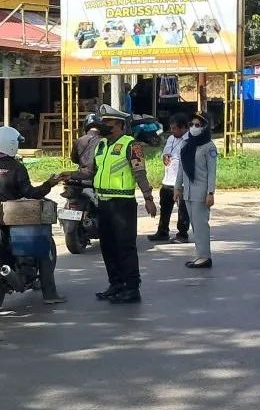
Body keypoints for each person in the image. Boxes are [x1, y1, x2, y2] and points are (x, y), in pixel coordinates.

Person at [0, 125, 67, 305]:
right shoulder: (16, 168)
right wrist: (49, 184)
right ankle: (50, 294)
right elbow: (29, 193)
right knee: (42, 249)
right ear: (11, 145)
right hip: (14, 218)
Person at [89, 104, 157, 304]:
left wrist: (148, 198)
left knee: (125, 247)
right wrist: (72, 175)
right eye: (103, 121)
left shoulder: (131, 145)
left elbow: (140, 173)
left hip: (122, 204)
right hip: (103, 203)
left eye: (108, 122)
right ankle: (116, 284)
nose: (104, 125)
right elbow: (92, 171)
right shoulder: (101, 145)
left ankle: (132, 288)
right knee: (108, 247)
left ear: (119, 125)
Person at [174, 112, 217, 269]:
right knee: (194, 225)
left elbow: (212, 171)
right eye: (191, 124)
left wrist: (210, 192)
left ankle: (204, 256)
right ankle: (199, 255)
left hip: (201, 192)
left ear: (204, 127)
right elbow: (181, 169)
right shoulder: (187, 145)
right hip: (188, 192)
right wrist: (177, 188)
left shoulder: (209, 147)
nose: (193, 128)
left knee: (201, 225)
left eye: (197, 125)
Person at [150, 113, 191, 243]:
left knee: (182, 210)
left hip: (183, 182)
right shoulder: (171, 139)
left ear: (183, 127)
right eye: (171, 128)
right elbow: (165, 152)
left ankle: (182, 234)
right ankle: (162, 231)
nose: (172, 131)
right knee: (165, 207)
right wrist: (165, 156)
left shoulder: (190, 141)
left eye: (175, 128)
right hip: (168, 179)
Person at [71, 113, 103, 179]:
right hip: (98, 177)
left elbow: (74, 159)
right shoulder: (104, 141)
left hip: (82, 175)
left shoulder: (79, 140)